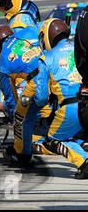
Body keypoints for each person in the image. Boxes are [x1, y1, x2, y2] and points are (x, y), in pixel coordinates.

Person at [33, 18, 88, 179]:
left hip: (71, 108)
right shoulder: (80, 47)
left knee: (53, 140)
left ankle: (84, 162)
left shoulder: (46, 58)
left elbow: (41, 97)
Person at [0, 24, 43, 165]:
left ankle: (22, 153)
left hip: (39, 82)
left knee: (21, 115)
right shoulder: (29, 30)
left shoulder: (3, 64)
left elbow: (12, 103)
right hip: (62, 72)